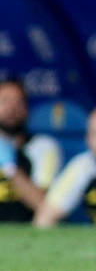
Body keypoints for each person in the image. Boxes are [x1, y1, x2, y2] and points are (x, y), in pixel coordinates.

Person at [0, 78, 62, 222]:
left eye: (18, 102)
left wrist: (10, 167)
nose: (12, 108)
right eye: (4, 101)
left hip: (27, 235)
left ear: (27, 109)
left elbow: (43, 207)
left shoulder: (43, 147)